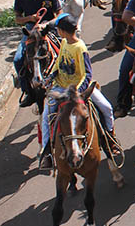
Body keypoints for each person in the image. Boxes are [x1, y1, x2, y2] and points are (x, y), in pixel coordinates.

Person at [37, 14, 118, 170]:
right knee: (46, 116)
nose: (57, 32)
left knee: (106, 107)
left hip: (78, 89)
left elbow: (87, 74)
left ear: (62, 31)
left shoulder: (80, 48)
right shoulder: (64, 43)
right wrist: (51, 76)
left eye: (58, 30)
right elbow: (59, 64)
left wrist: (78, 92)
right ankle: (47, 152)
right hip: (61, 87)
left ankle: (110, 139)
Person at [13, 0, 63, 107]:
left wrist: (45, 24)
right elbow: (17, 19)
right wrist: (30, 18)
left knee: (66, 52)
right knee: (18, 59)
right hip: (31, 30)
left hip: (49, 29)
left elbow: (59, 14)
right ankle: (28, 92)